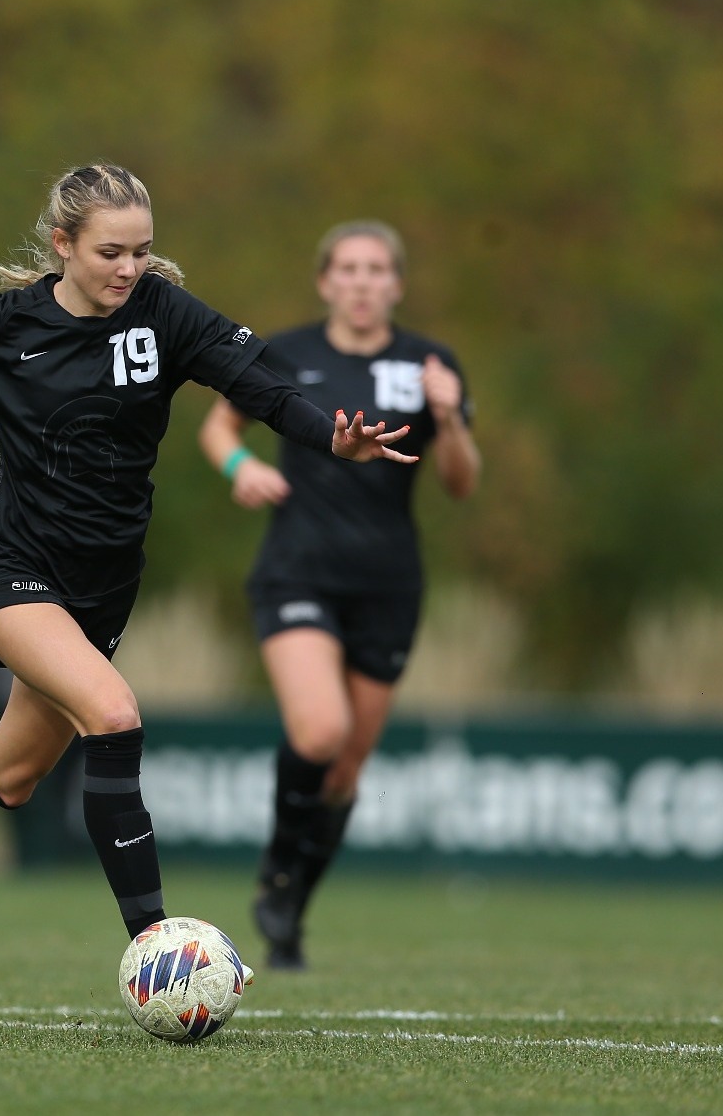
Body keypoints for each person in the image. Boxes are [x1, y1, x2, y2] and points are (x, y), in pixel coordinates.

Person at [0, 162, 417, 947]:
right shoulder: (2, 324)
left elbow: (263, 387)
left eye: (142, 252)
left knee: (11, 776)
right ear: (63, 245)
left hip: (104, 587)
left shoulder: (164, 313)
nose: (130, 269)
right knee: (114, 715)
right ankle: (156, 947)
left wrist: (333, 436)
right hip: (13, 570)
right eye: (111, 252)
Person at [198, 220, 480, 969]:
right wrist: (239, 468)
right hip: (297, 570)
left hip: (388, 582)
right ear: (325, 281)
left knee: (347, 766)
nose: (361, 282)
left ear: (396, 283)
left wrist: (448, 415)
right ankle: (274, 872)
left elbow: (460, 482)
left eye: (376, 269)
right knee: (319, 732)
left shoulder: (430, 364)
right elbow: (218, 426)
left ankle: (289, 905)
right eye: (348, 269)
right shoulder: (286, 353)